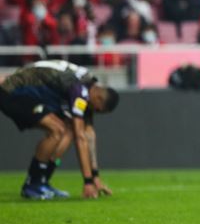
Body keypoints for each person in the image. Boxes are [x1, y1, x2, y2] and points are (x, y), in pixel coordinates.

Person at [0, 60, 119, 200]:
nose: (95, 112)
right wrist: (87, 182)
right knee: (56, 130)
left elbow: (89, 135)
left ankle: (42, 182)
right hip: (12, 91)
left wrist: (95, 177)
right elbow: (81, 138)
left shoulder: (88, 84)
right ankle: (32, 185)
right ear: (98, 98)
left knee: (68, 130)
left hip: (31, 94)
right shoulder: (79, 90)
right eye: (99, 110)